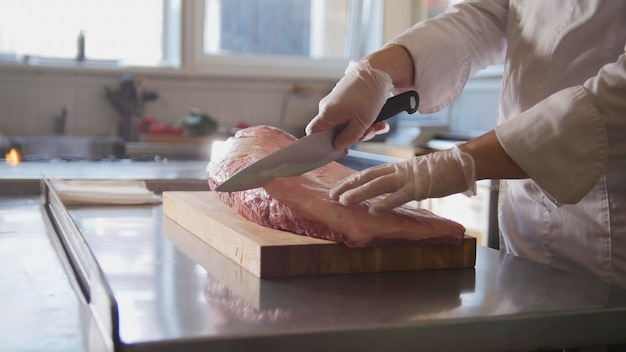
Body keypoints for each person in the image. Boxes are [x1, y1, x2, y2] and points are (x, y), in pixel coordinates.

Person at [305, 1, 626, 287]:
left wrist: (463, 162)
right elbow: (485, 14)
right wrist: (377, 69)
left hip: (611, 238)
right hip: (525, 240)